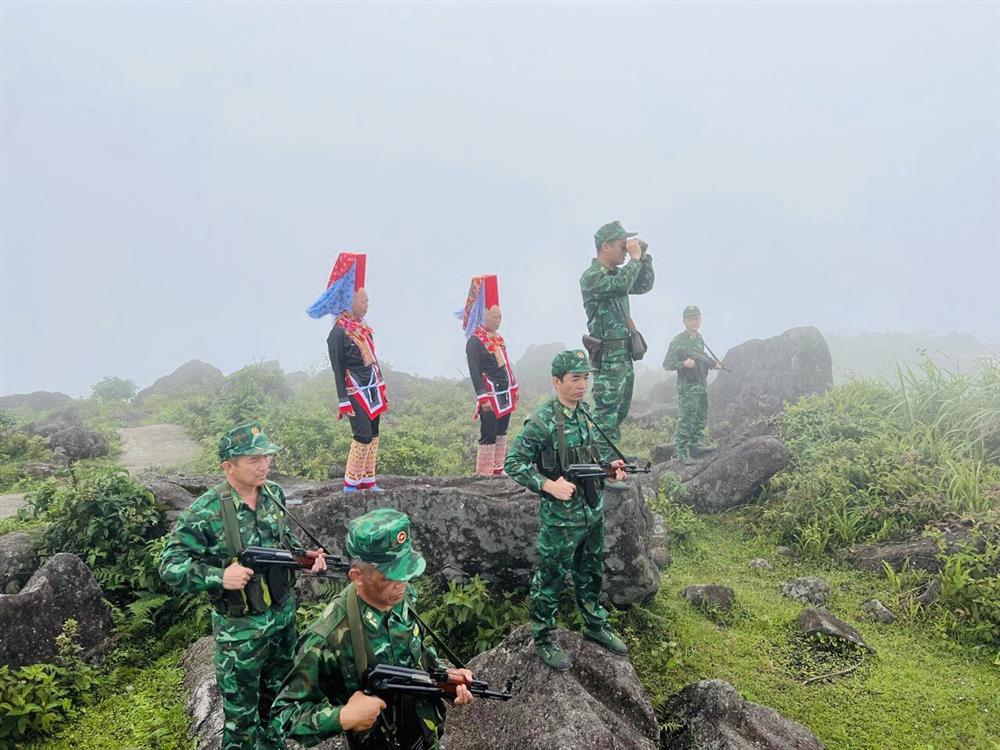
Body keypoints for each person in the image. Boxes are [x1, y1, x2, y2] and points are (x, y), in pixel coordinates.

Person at [158, 421, 327, 750]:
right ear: (228, 466)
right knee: (241, 719)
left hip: (282, 617)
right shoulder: (205, 512)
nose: (264, 465)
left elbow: (283, 544)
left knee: (279, 702)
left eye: (266, 457)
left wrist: (306, 558)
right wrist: (218, 576)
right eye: (254, 459)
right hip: (240, 631)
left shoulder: (274, 495)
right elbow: (169, 565)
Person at [271, 508, 475, 749]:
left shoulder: (401, 597)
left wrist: (442, 677)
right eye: (390, 577)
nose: (402, 584)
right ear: (357, 577)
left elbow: (413, 649)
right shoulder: (328, 635)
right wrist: (342, 717)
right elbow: (283, 716)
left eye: (406, 572)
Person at [503, 350, 629, 671]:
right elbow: (513, 463)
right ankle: (543, 637)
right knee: (551, 577)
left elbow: (587, 460)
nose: (582, 384)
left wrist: (608, 469)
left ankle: (593, 624)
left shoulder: (584, 414)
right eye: (575, 378)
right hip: (561, 519)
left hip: (591, 510)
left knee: (590, 571)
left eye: (586, 377)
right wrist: (546, 485)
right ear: (557, 381)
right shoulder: (542, 421)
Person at [307, 253, 389, 492]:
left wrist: (381, 387)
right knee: (362, 434)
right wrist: (343, 400)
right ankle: (351, 483)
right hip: (354, 389)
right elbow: (337, 368)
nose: (367, 305)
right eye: (363, 301)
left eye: (367, 301)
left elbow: (373, 360)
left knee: (373, 435)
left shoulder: (364, 328)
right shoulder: (338, 333)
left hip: (373, 386)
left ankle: (368, 480)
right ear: (348, 301)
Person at [580, 220, 655, 472]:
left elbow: (643, 285)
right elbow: (622, 284)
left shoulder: (616, 275)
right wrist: (634, 260)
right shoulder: (593, 277)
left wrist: (644, 258)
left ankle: (612, 460)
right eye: (621, 245)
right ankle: (601, 469)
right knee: (606, 413)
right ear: (605, 247)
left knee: (619, 411)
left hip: (623, 355)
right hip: (608, 356)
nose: (625, 250)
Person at [458, 274, 518, 476]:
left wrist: (514, 387)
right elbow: (474, 371)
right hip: (490, 394)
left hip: (505, 392)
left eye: (500, 317)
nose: (499, 320)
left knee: (502, 432)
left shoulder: (498, 338)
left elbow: (507, 365)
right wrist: (482, 396)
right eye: (495, 317)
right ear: (484, 316)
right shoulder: (475, 342)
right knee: (489, 434)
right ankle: (484, 474)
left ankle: (498, 469)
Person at [662, 305, 722, 465]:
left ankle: (695, 447)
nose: (694, 322)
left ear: (700, 319)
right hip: (687, 387)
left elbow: (701, 357)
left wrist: (712, 363)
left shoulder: (699, 338)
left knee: (700, 417)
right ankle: (682, 452)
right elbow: (667, 364)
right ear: (684, 321)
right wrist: (683, 363)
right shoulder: (678, 340)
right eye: (690, 319)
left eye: (696, 318)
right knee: (687, 419)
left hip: (701, 384)